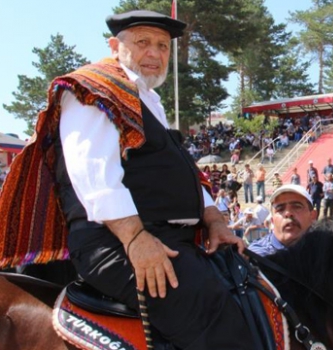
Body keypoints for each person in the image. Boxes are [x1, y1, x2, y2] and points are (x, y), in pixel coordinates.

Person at [0, 10, 254, 349]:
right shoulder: (93, 88)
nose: (155, 53)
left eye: (163, 46)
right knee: (215, 318)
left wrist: (215, 219)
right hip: (115, 243)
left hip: (162, 239)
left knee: (246, 286)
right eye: (143, 42)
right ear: (114, 45)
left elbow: (183, 174)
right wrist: (135, 239)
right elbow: (93, 173)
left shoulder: (148, 100)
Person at [249, 184, 318, 256]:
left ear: (312, 216)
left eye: (297, 207)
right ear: (272, 220)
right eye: (280, 209)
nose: (288, 213)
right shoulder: (256, 256)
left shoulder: (325, 251)